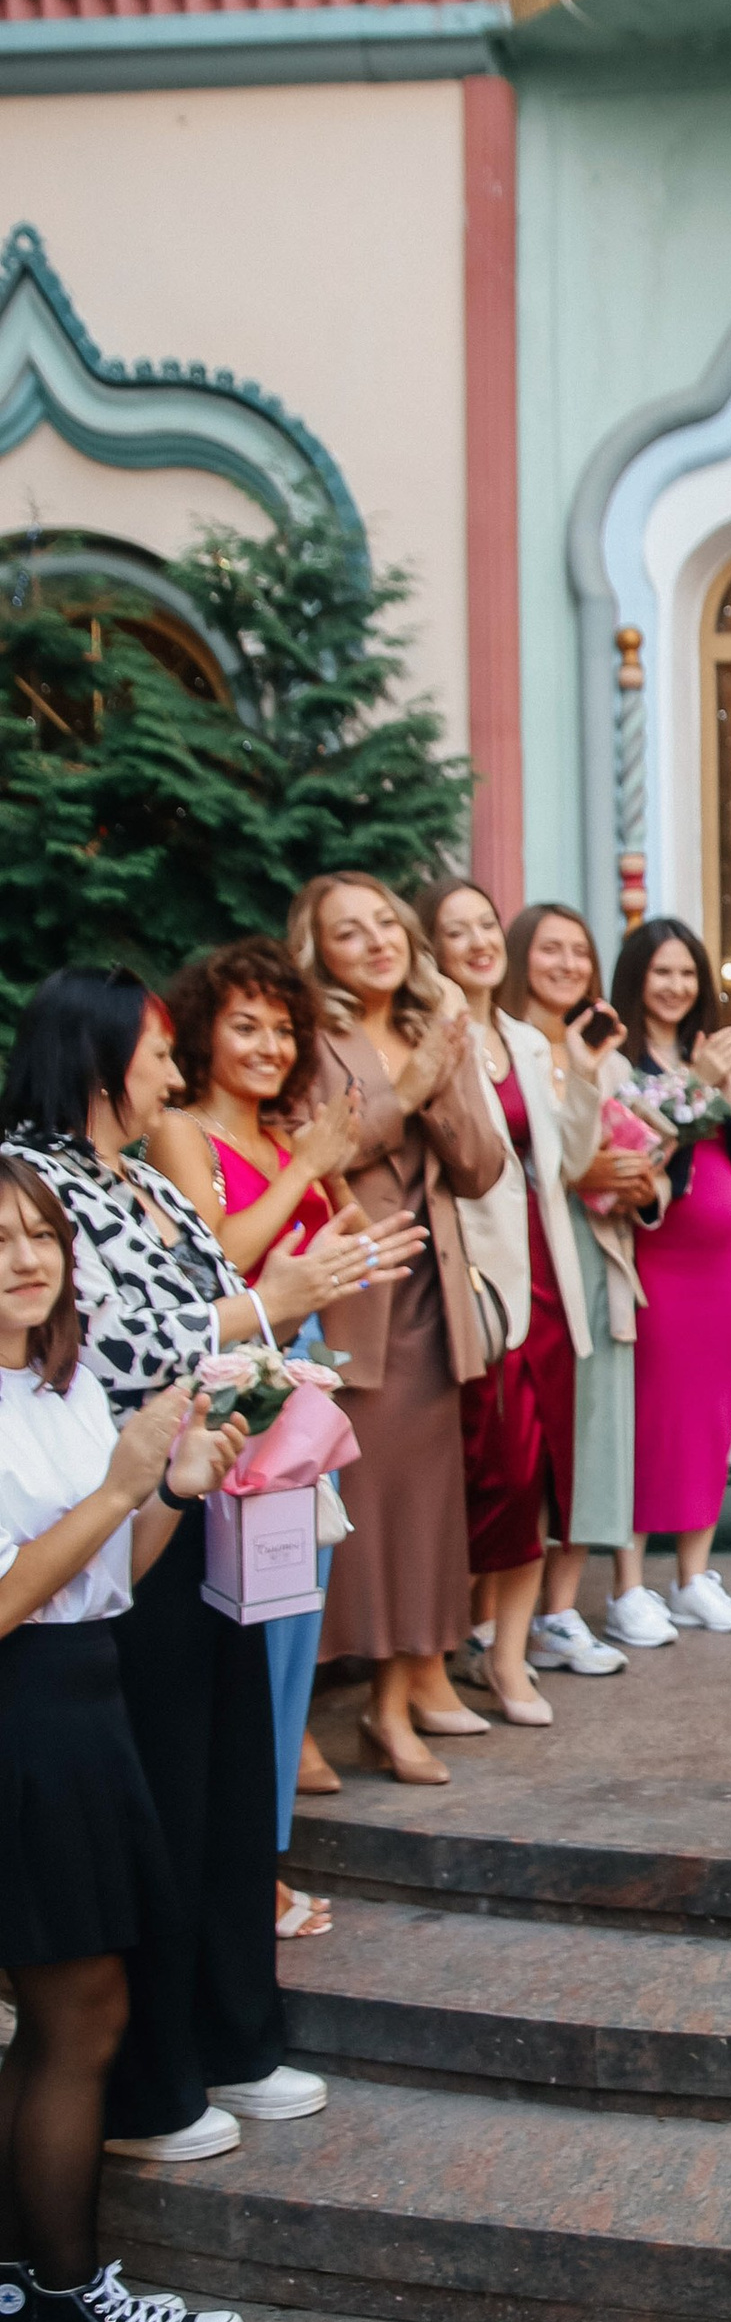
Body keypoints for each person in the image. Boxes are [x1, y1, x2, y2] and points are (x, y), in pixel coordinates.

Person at [0, 968, 402, 2162]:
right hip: (120, 1510)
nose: (171, 1075)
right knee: (170, 1788)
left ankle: (238, 2033)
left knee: (233, 1776)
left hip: (214, 1483)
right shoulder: (42, 1178)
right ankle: (155, 2084)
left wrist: (270, 1310)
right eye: (157, 1051)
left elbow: (216, 1288)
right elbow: (102, 1333)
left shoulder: (138, 1175)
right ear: (97, 1054)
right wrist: (271, 1301)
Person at [0, 1154, 253, 2322]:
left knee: (65, 2015)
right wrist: (115, 1488)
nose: (26, 1256)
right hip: (24, 1716)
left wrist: (168, 1488)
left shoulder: (62, 1385)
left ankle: (19, 2271)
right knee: (76, 2013)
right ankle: (69, 2301)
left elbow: (110, 1575)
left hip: (84, 1699)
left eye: (40, 1232)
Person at [150, 936, 357, 1928]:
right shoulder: (183, 1132)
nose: (270, 1044)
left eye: (284, 1027)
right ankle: (246, 1873)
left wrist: (341, 1203)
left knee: (293, 1628)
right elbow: (218, 1260)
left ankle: (264, 1850)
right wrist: (305, 1169)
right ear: (201, 1032)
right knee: (247, 1626)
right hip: (232, 1391)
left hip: (307, 1382)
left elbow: (323, 1250)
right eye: (247, 1024)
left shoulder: (288, 1141)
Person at [286, 875, 507, 1787]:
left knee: (418, 1522)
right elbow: (314, 1150)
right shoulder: (306, 1036)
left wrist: (444, 1074)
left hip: (429, 1302)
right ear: (318, 950)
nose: (377, 941)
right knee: (339, 1521)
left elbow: (484, 1167)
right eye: (350, 931)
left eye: (386, 923)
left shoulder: (431, 1030)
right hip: (346, 1297)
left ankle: (388, 1710)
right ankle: (292, 1717)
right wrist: (405, 1091)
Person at [418, 876, 607, 1728]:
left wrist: (586, 1075)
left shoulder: (530, 1042)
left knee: (541, 1475)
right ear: (434, 950)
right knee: (490, 1467)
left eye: (485, 924)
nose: (477, 941)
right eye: (455, 932)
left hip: (547, 1270)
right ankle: (449, 1639)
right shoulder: (433, 1036)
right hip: (476, 1279)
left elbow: (567, 1159)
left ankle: (507, 1658)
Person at [499, 903, 661, 1676]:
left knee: (595, 1434)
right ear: (520, 955)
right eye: (549, 949)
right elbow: (542, 1160)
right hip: (527, 1262)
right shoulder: (507, 1049)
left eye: (578, 952)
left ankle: (559, 1609)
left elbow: (635, 1162)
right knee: (523, 1438)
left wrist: (636, 1185)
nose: (565, 964)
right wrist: (583, 1171)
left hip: (601, 1263)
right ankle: (496, 1620)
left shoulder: (610, 1059)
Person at [608, 914, 731, 1641]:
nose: (676, 986)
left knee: (711, 1415)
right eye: (662, 972)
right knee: (647, 1416)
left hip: (726, 1263)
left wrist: (727, 1092)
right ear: (637, 980)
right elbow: (647, 1160)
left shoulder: (713, 1051)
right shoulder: (617, 1060)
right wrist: (693, 1088)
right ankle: (626, 1586)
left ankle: (691, 1577)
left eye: (687, 973)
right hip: (656, 1256)